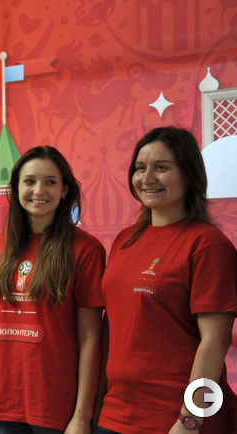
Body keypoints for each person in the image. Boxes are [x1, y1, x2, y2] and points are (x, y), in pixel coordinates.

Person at [97, 126, 237, 434]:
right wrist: (95, 407)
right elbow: (113, 326)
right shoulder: (124, 240)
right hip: (115, 415)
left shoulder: (207, 244)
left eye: (161, 168)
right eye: (140, 168)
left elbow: (216, 341)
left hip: (175, 419)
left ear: (189, 175)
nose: (147, 178)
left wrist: (191, 418)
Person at [0, 146, 105, 434]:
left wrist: (82, 415)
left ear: (64, 190)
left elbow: (90, 338)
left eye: (50, 182)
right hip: (2, 406)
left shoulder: (86, 250)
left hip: (56, 407)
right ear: (17, 187)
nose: (39, 190)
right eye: (29, 181)